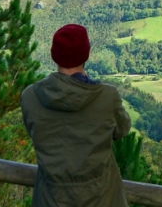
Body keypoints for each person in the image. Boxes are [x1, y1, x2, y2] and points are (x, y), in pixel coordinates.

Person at [21, 24, 131, 206]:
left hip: (50, 199)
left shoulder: (30, 97)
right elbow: (122, 130)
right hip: (101, 198)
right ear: (86, 54)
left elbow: (34, 131)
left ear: (53, 55)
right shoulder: (107, 97)